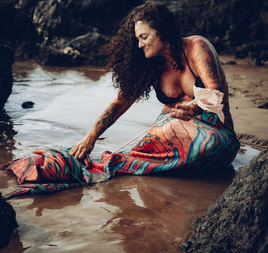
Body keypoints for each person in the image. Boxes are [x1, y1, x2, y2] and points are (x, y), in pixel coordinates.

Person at [69, 1, 240, 175]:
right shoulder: (150, 65)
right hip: (169, 137)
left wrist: (194, 108)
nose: (140, 45)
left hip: (215, 133)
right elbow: (120, 103)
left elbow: (215, 92)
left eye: (144, 37)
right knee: (142, 150)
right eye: (138, 39)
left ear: (163, 31)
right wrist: (90, 138)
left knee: (209, 143)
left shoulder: (196, 47)